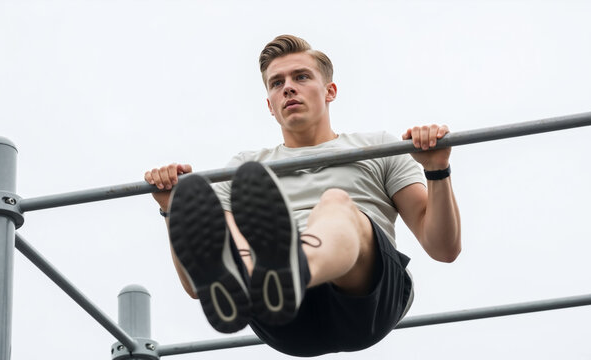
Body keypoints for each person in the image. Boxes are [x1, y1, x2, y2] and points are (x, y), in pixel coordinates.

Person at [144, 35, 461, 356]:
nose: (288, 87)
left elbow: (443, 249)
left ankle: (287, 271)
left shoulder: (378, 148)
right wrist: (173, 210)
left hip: (368, 302)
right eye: (276, 82)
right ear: (270, 104)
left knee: (336, 203)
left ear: (330, 91)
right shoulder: (244, 167)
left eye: (301, 77)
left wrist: (436, 170)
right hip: (284, 323)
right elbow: (198, 288)